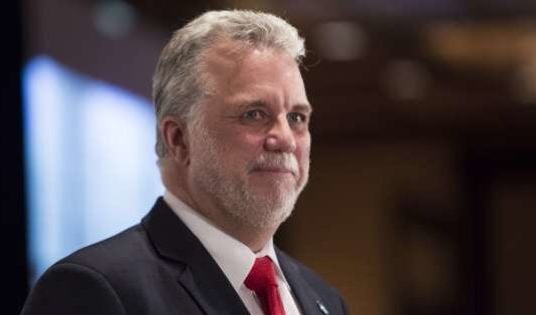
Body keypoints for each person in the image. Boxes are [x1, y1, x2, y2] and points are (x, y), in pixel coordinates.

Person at [20, 10, 349, 315]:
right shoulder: (92, 292)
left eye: (296, 117)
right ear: (178, 139)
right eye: (254, 114)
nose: (286, 139)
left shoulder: (326, 301)